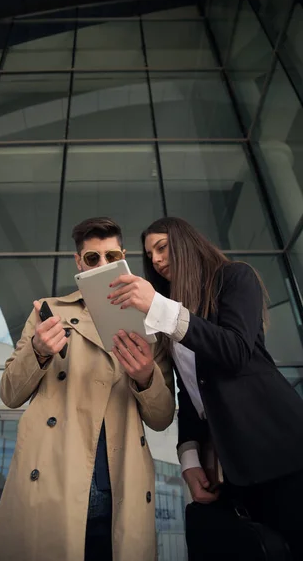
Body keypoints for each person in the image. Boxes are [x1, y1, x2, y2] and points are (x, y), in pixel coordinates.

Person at [108, 216, 303, 560]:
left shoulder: (235, 277)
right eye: (149, 253)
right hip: (231, 468)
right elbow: (192, 394)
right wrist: (189, 459)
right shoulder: (175, 316)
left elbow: (236, 351)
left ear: (186, 242)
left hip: (281, 452)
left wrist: (159, 307)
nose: (154, 259)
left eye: (162, 247)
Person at [0, 217, 175, 561]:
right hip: (54, 484)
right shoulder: (49, 312)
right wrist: (39, 352)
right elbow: (10, 394)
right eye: (92, 258)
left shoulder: (150, 322)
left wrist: (146, 376)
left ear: (124, 258)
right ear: (78, 262)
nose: (103, 266)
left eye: (112, 257)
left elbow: (162, 417)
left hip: (119, 486)